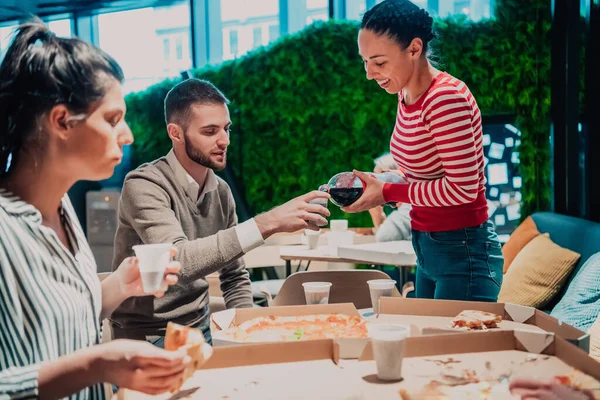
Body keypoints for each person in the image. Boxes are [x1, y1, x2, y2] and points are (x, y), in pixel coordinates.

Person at [0, 20, 190, 399]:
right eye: (112, 119)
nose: (129, 135)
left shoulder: (62, 209)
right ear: (61, 122)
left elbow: (57, 324)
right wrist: (97, 364)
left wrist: (121, 284)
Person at [110, 78, 330, 345]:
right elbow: (180, 263)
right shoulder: (144, 185)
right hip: (147, 337)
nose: (224, 140)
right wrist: (268, 222)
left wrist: (248, 333)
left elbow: (234, 276)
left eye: (226, 128)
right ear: (175, 133)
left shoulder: (221, 192)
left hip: (201, 329)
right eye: (210, 131)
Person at [343, 0, 503, 302]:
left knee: (448, 348)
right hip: (428, 247)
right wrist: (383, 181)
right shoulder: (405, 94)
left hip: (462, 252)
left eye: (378, 62)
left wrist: (388, 192)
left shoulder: (445, 99)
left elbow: (463, 189)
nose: (369, 74)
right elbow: (424, 174)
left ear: (414, 49)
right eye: (365, 62)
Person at [368, 153, 412, 242]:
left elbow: (384, 238)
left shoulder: (408, 210)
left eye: (378, 179)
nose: (375, 185)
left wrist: (377, 216)